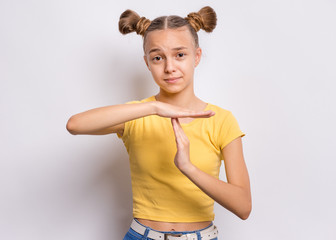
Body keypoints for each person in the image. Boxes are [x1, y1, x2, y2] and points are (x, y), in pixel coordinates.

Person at [66, 6, 251, 240]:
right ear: (147, 63)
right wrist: (153, 107)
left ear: (196, 56)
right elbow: (75, 125)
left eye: (180, 54)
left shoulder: (221, 120)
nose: (169, 67)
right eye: (158, 57)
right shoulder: (136, 115)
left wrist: (188, 168)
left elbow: (243, 206)